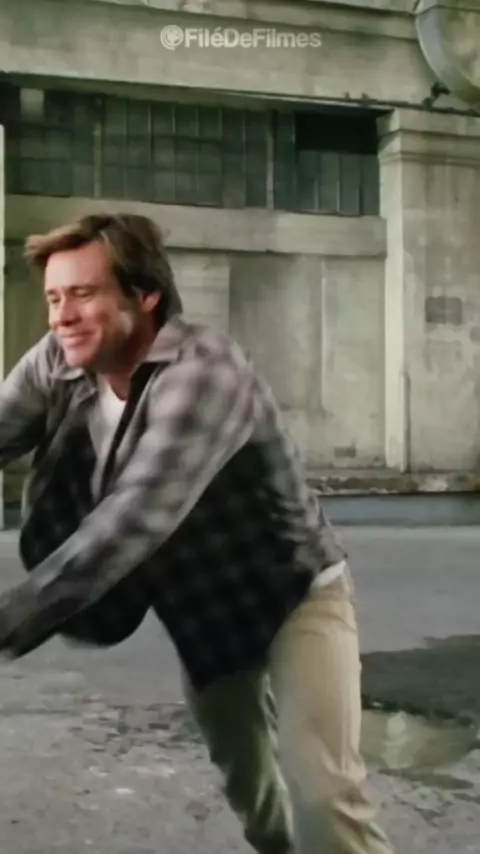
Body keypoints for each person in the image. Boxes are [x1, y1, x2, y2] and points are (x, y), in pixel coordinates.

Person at [0, 213, 395, 854]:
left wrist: (9, 620)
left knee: (323, 796)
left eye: (83, 294)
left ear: (145, 295)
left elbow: (131, 521)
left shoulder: (204, 371)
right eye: (53, 297)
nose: (62, 316)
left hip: (293, 596)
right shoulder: (60, 361)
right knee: (256, 801)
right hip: (203, 616)